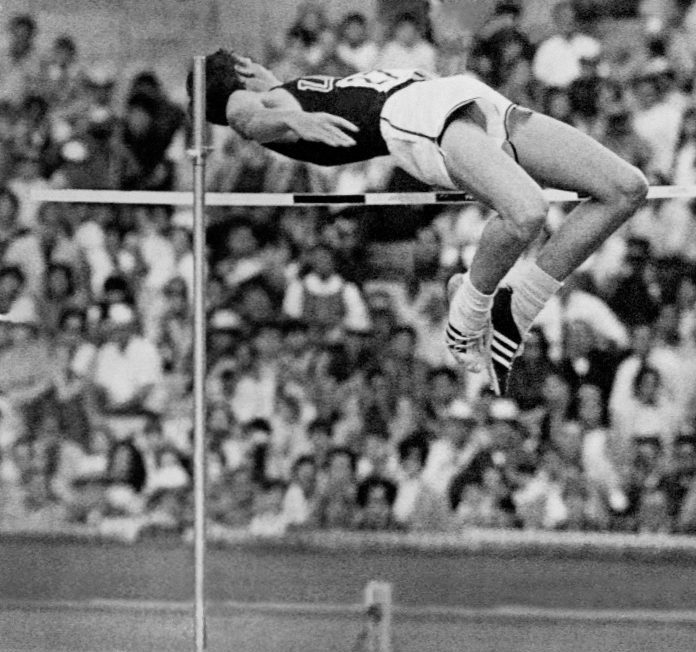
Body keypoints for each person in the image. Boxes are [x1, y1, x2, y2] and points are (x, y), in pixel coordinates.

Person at [190, 43, 648, 397]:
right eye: (244, 61)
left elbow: (283, 99)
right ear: (233, 79)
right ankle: (465, 315)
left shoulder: (279, 90)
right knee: (526, 212)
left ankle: (516, 308)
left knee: (625, 189)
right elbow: (248, 119)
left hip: (459, 95)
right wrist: (294, 122)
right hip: (415, 117)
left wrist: (279, 93)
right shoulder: (249, 105)